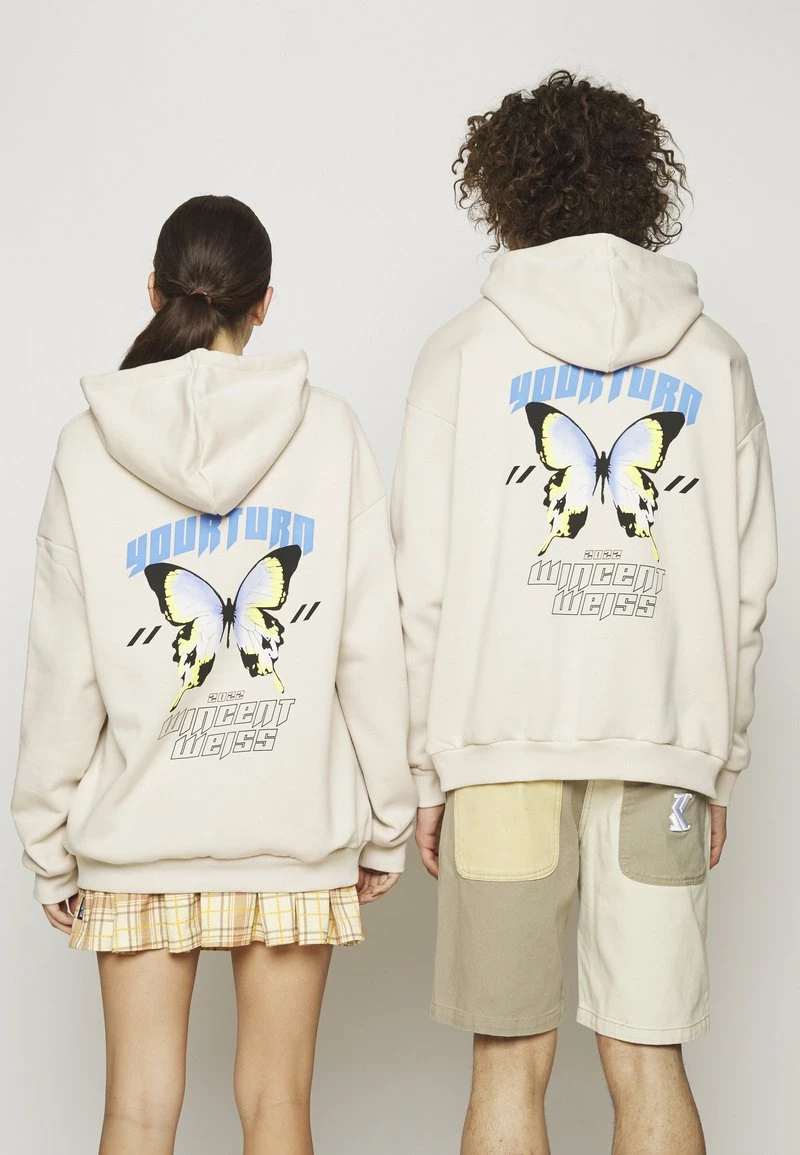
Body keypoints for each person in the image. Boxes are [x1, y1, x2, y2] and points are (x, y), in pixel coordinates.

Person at [392, 71, 777, 1155]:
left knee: (507, 1061)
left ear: (505, 191)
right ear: (639, 186)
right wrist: (717, 759)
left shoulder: (461, 355)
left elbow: (421, 583)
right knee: (648, 1056)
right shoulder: (715, 359)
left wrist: (428, 769)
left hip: (499, 743)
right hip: (660, 746)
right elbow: (747, 585)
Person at [12, 194, 416, 1155]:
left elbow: (62, 669)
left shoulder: (88, 446)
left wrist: (46, 838)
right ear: (264, 302)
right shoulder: (329, 432)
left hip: (139, 834)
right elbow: (369, 643)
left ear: (154, 292)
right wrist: (388, 818)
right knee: (278, 1107)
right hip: (290, 828)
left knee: (136, 1111)